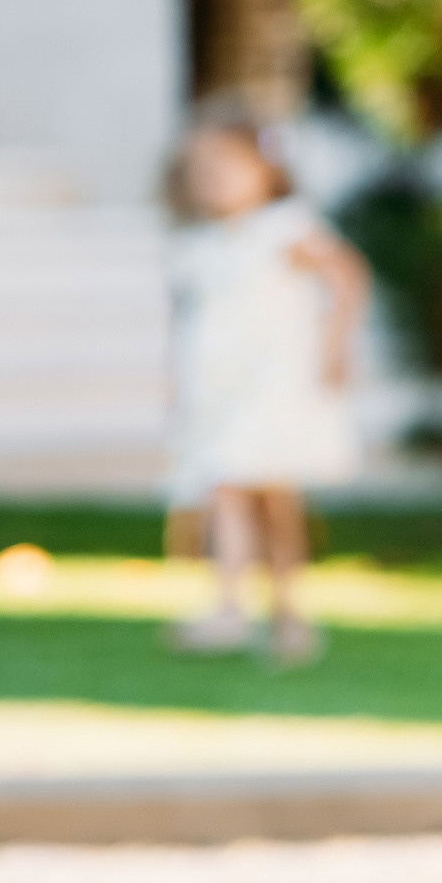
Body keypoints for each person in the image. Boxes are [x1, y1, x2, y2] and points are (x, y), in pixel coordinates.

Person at [163, 104, 368, 666]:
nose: (213, 183)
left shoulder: (286, 229)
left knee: (274, 501)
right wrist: (178, 389)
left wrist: (336, 346)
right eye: (202, 172)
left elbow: (346, 275)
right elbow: (192, 326)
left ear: (266, 170)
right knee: (224, 488)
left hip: (273, 389)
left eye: (226, 168)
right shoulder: (200, 245)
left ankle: (287, 612)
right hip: (222, 392)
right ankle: (230, 606)